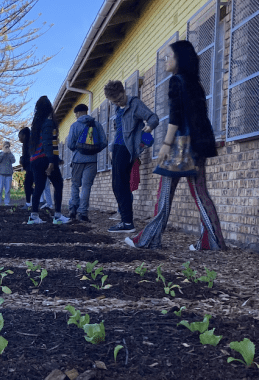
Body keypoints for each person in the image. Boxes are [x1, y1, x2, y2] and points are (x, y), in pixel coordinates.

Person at [126, 40, 226, 251]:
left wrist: (165, 144)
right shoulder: (195, 83)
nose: (165, 61)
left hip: (179, 146)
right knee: (201, 193)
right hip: (199, 145)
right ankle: (214, 241)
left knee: (164, 196)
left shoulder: (176, 81)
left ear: (178, 58)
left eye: (168, 56)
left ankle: (148, 239)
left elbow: (175, 117)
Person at [104, 80, 158, 233]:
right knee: (118, 185)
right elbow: (117, 131)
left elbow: (153, 117)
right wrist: (111, 148)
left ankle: (127, 222)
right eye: (114, 101)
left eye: (120, 99)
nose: (119, 102)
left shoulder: (135, 103)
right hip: (117, 148)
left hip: (127, 148)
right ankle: (125, 220)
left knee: (120, 185)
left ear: (123, 91)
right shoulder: (117, 109)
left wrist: (147, 129)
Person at [27, 96, 70, 226]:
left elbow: (40, 144)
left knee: (38, 188)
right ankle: (57, 216)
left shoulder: (36, 125)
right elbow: (48, 143)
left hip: (35, 160)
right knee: (58, 185)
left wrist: (58, 159)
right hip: (46, 159)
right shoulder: (48, 122)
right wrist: (52, 161)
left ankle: (33, 217)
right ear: (49, 108)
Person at [66, 103, 107, 222]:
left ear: (78, 113)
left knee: (75, 185)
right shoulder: (96, 124)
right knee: (86, 186)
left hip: (78, 159)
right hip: (92, 160)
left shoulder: (75, 125)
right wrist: (94, 150)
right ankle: (83, 213)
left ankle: (73, 208)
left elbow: (69, 144)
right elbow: (104, 142)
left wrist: (78, 149)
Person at [0, 140, 16, 205]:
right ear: (3, 146)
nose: (7, 148)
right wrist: (4, 153)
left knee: (7, 190)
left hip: (8, 174)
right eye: (5, 146)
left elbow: (13, 161)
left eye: (8, 146)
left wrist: (9, 153)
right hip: (0, 174)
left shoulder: (10, 154)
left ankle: (7, 203)